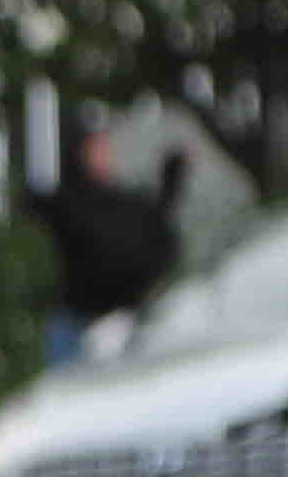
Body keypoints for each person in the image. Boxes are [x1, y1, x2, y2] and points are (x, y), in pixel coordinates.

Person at [28, 117, 194, 362]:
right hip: (78, 324)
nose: (105, 156)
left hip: (121, 322)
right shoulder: (68, 205)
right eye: (97, 149)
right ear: (79, 152)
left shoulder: (117, 204)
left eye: (105, 149)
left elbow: (153, 225)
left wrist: (172, 182)